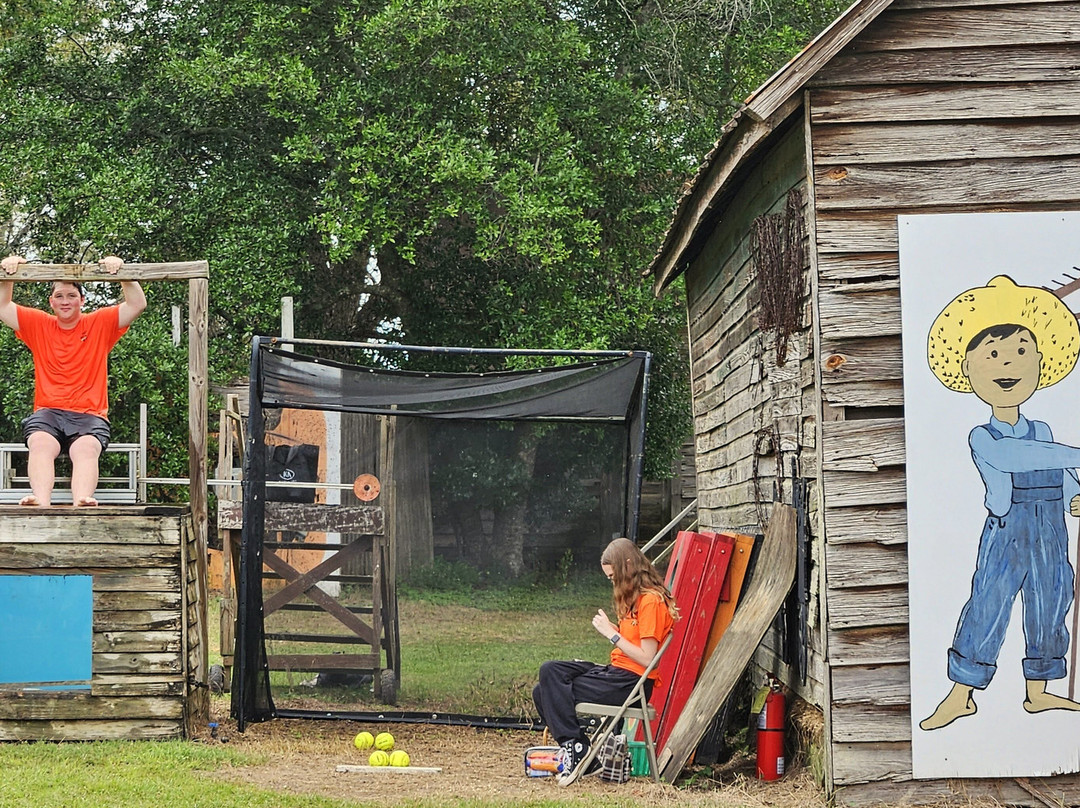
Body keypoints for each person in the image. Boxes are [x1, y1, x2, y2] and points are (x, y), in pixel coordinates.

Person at [920, 275, 1080, 730]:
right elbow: (1019, 459)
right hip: (1007, 532)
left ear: (1039, 364)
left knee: (1051, 601)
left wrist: (1075, 495)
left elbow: (1060, 473)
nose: (1007, 364)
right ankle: (960, 694)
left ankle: (1039, 691)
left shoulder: (1044, 431)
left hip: (1051, 531)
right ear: (970, 370)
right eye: (992, 354)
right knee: (989, 605)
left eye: (1019, 353)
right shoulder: (983, 435)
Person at [0, 254, 146, 507]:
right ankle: (40, 503)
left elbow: (137, 304)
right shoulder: (38, 324)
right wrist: (8, 273)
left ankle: (82, 501)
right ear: (51, 302)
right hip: (49, 410)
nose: (65, 301)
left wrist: (122, 271)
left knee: (86, 449)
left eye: (71, 296)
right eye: (59, 296)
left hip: (89, 413)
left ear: (82, 300)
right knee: (40, 444)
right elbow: (2, 307)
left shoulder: (98, 322)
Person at [532, 537, 678, 779]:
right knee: (548, 677)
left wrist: (612, 635)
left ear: (628, 565)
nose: (612, 582)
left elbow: (647, 657)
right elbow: (633, 643)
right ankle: (578, 747)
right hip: (615, 673)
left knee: (547, 686)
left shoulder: (650, 601)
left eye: (613, 577)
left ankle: (577, 747)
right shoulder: (634, 599)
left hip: (630, 684)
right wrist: (618, 631)